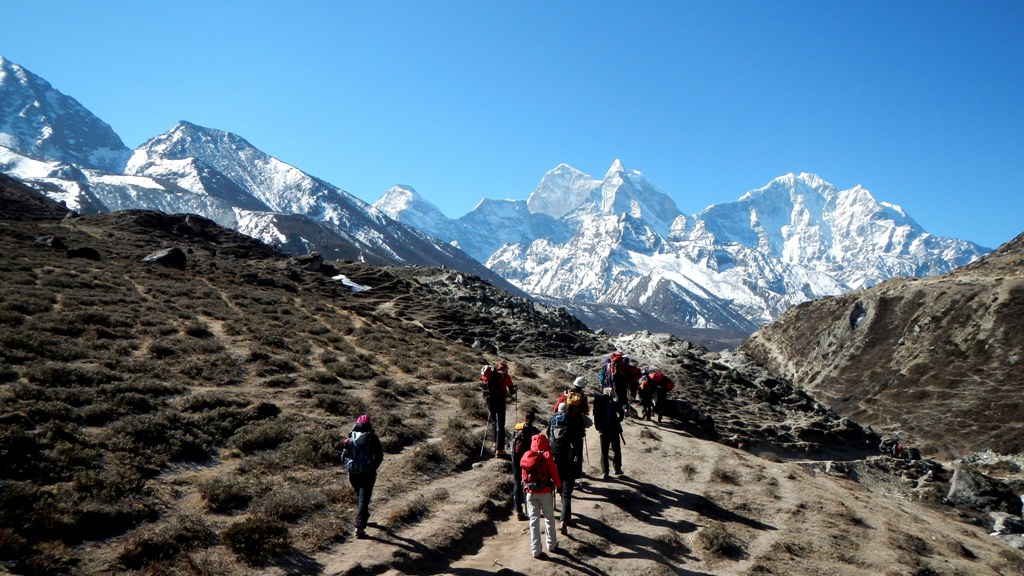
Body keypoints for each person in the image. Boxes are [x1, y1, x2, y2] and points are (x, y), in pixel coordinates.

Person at [341, 414, 384, 539]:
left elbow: (344, 456)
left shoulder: (350, 437)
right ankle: (359, 528)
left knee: (360, 496)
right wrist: (372, 468)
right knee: (363, 499)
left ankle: (363, 517)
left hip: (353, 473)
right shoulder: (372, 438)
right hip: (367, 473)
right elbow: (379, 457)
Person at [520, 432, 562, 558]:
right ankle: (552, 544)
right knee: (549, 518)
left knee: (534, 521)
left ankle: (535, 550)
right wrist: (559, 486)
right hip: (545, 492)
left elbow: (523, 477)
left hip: (530, 493)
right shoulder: (547, 455)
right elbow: (554, 473)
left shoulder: (527, 456)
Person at [548, 403, 580, 534]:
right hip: (567, 458)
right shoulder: (569, 420)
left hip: (554, 457)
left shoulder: (553, 419)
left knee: (558, 485)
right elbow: (576, 439)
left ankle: (552, 512)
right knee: (567, 492)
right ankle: (564, 520)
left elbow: (548, 434)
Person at [553, 377, 590, 481]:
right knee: (577, 449)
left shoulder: (565, 393)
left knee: (564, 449)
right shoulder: (582, 396)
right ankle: (578, 472)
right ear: (582, 386)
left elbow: (556, 408)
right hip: (577, 426)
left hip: (563, 425)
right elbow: (585, 411)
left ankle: (563, 471)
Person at [509, 409, 541, 521]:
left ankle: (518, 510)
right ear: (533, 420)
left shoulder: (517, 427)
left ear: (525, 418)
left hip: (515, 457)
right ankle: (533, 508)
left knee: (517, 482)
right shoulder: (533, 430)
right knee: (530, 481)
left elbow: (511, 442)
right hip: (527, 459)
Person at [481, 362, 516, 457]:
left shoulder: (488, 375)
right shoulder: (506, 376)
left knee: (494, 422)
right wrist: (515, 389)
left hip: (490, 402)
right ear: (505, 369)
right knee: (501, 425)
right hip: (500, 402)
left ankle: (494, 443)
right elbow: (512, 391)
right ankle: (500, 449)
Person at [592, 386, 625, 479]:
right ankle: (617, 468)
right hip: (614, 429)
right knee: (616, 450)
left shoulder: (599, 403)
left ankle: (605, 471)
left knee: (604, 451)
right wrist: (618, 420)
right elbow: (621, 413)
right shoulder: (613, 403)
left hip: (603, 430)